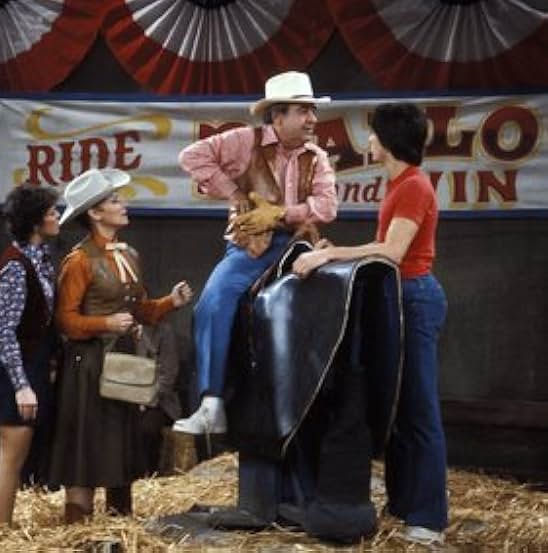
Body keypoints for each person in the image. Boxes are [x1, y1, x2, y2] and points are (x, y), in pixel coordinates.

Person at [292, 102, 448, 546]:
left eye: (375, 133)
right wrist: (333, 249)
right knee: (397, 408)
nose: (370, 141)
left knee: (419, 410)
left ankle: (429, 518)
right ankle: (403, 503)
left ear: (390, 139)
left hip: (415, 298)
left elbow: (392, 252)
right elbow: (383, 248)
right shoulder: (399, 184)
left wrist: (328, 255)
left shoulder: (414, 187)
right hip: (396, 298)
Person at [173, 71, 338, 435]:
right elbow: (191, 156)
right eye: (302, 110)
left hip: (297, 245)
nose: (312, 119)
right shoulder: (243, 141)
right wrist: (235, 194)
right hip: (251, 248)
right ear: (278, 116)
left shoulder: (318, 156)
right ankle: (212, 402)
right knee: (213, 302)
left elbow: (327, 208)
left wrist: (281, 213)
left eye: (312, 110)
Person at [49, 168, 193, 523]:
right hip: (89, 366)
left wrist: (168, 303)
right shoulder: (79, 261)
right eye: (114, 200)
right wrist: (105, 323)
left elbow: (139, 309)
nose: (122, 204)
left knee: (119, 447)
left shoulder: (128, 255)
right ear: (95, 213)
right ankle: (78, 528)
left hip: (123, 363)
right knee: (86, 448)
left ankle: (120, 527)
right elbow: (65, 320)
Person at [0, 186, 60, 527]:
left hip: (35, 365)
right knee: (10, 459)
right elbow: (3, 330)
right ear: (35, 221)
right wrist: (21, 385)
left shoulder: (40, 259)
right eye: (51, 211)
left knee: (20, 456)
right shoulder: (16, 266)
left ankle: (3, 530)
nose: (58, 216)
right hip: (17, 371)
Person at [133, 321, 182, 475]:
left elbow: (168, 376)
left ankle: (148, 473)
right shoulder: (112, 330)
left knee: (146, 428)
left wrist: (144, 399)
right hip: (124, 398)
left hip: (158, 401)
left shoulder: (163, 331)